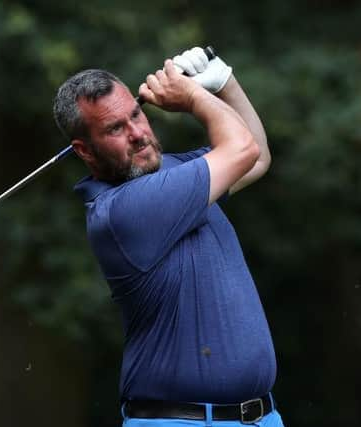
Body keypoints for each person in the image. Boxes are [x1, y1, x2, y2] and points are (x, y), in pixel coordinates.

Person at [53, 46, 284, 427]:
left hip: (259, 418)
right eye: (115, 129)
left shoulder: (172, 172)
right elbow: (241, 150)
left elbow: (256, 158)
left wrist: (225, 82)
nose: (138, 134)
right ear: (83, 150)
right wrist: (194, 97)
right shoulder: (122, 212)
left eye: (136, 114)